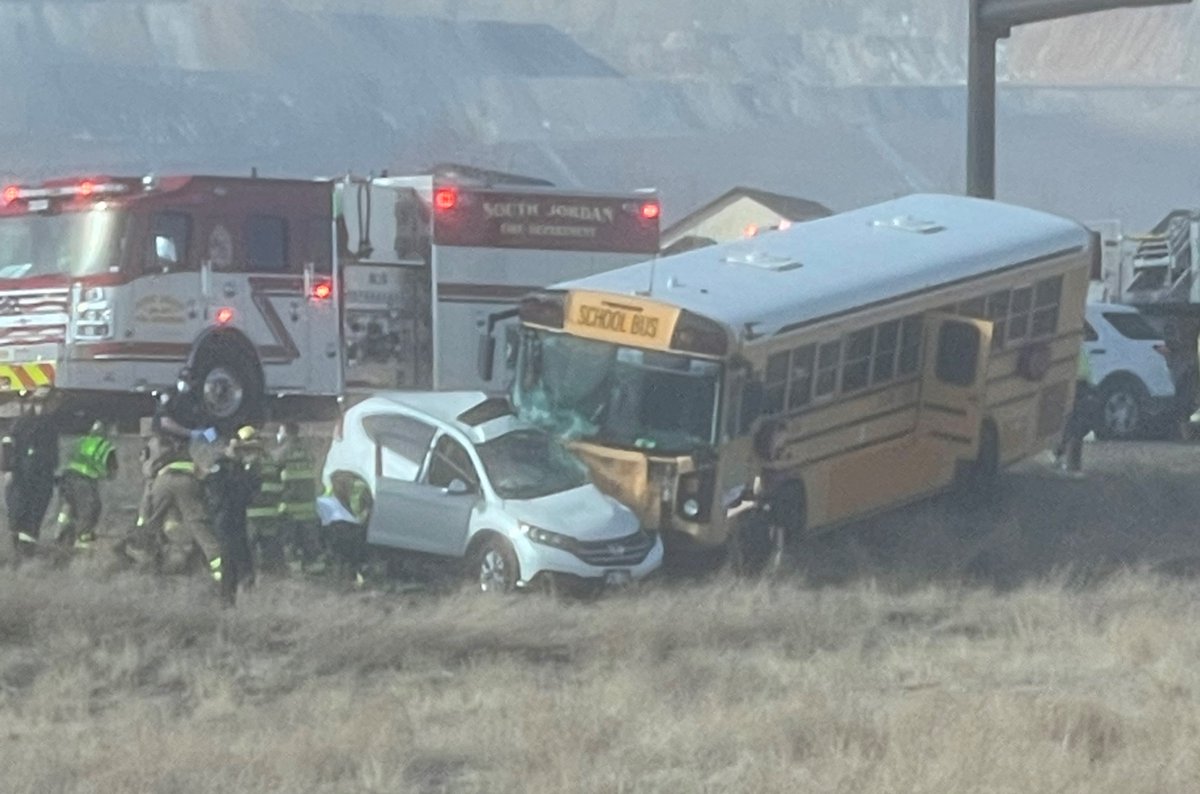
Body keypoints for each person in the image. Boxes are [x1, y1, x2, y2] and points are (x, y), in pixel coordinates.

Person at [139, 437, 225, 591]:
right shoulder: (199, 437)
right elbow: (207, 473)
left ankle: (148, 567)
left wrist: (145, 520)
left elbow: (148, 492)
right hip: (187, 480)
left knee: (153, 526)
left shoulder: (156, 444)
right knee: (200, 527)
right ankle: (221, 574)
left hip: (162, 481)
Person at [203, 427, 262, 604]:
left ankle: (245, 595)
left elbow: (250, 492)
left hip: (238, 518)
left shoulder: (241, 468)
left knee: (244, 558)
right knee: (228, 561)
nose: (242, 453)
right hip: (224, 519)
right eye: (239, 450)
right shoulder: (219, 467)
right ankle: (226, 599)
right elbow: (217, 494)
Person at [2, 395, 59, 559]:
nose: (41, 408)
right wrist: (8, 469)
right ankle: (19, 550)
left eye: (43, 405)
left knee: (35, 512)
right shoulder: (21, 424)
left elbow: (52, 452)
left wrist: (52, 470)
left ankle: (26, 552)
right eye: (38, 404)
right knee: (18, 512)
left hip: (41, 477)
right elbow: (8, 444)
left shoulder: (49, 425)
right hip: (21, 476)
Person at [55, 420, 118, 549]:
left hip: (66, 478)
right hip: (84, 481)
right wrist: (105, 474)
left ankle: (60, 533)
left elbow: (67, 455)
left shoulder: (82, 441)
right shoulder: (105, 446)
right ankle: (82, 541)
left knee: (69, 506)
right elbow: (112, 471)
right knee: (90, 509)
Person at [271, 422, 320, 574]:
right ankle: (314, 566)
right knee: (309, 537)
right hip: (308, 503)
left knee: (289, 538)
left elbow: (272, 470)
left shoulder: (282, 452)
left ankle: (293, 568)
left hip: (290, 503)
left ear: (285, 432)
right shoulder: (308, 450)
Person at [1056, 347, 1096, 476]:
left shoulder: (1075, 343)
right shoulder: (1075, 343)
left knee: (1073, 424)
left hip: (1078, 383)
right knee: (1075, 425)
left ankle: (1063, 457)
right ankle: (1071, 463)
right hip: (1076, 382)